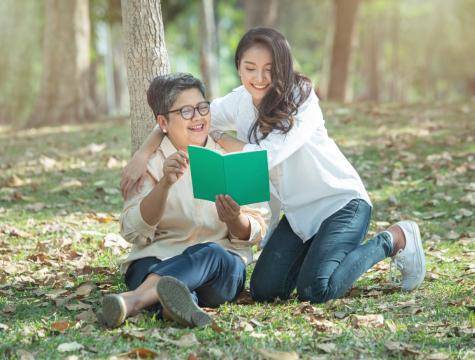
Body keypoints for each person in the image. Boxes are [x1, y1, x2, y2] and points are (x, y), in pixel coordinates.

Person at [120, 27, 426, 305]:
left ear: (283, 68)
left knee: (315, 289)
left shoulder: (302, 99)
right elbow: (187, 115)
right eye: (250, 68)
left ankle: (395, 238)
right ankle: (318, 255)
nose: (260, 78)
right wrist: (143, 153)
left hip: (340, 203)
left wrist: (222, 139)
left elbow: (265, 157)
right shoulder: (239, 100)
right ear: (238, 68)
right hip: (298, 215)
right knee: (266, 291)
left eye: (269, 69)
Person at [97, 73, 270, 328]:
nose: (198, 117)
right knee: (159, 276)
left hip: (220, 270)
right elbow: (132, 230)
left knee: (211, 251)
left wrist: (235, 218)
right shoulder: (150, 163)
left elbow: (256, 230)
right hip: (156, 260)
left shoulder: (232, 159)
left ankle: (133, 300)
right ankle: (178, 307)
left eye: (202, 107)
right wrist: (165, 184)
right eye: (186, 111)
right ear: (163, 122)